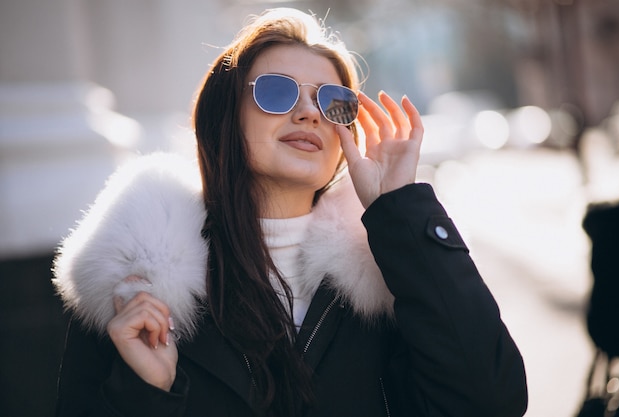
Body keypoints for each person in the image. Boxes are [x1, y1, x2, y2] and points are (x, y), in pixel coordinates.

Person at [53, 7, 527, 417]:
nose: (309, 113)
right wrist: (143, 393)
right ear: (226, 117)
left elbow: (491, 399)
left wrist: (399, 208)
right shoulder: (136, 285)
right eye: (277, 92)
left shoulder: (391, 280)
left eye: (333, 101)